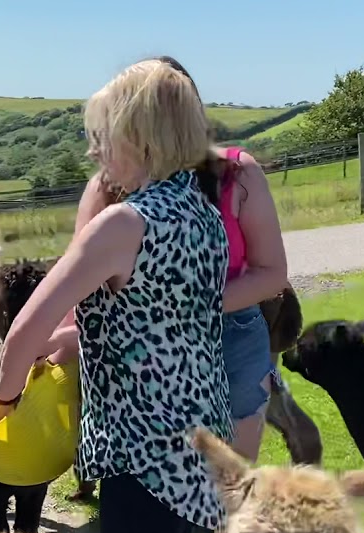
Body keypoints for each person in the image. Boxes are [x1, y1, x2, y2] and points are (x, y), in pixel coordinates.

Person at [0, 59, 232, 533]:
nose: (94, 153)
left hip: (143, 449)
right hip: (200, 439)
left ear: (139, 138)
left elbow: (24, 330)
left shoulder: (125, 223)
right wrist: (78, 341)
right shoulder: (204, 216)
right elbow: (168, 317)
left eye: (102, 138)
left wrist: (5, 402)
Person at [67, 55, 288, 505]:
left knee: (230, 495)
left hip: (232, 340)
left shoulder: (237, 175)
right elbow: (78, 282)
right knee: (150, 500)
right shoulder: (107, 187)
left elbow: (272, 275)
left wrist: (185, 305)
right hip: (140, 353)